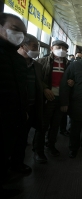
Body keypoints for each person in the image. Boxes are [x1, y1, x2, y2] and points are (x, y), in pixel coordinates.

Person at [0, 12, 28, 198]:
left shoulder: (18, 59)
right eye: (15, 29)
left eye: (22, 33)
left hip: (13, 117)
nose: (19, 35)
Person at [9, 34, 44, 174]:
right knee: (10, 140)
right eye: (34, 47)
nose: (37, 50)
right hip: (13, 109)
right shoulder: (12, 62)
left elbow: (39, 84)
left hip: (31, 108)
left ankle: (18, 164)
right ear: (23, 46)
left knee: (23, 139)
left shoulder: (37, 66)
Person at [34, 40, 70, 162]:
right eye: (58, 47)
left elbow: (70, 82)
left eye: (64, 48)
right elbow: (37, 79)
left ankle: (51, 145)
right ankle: (38, 150)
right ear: (51, 48)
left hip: (61, 99)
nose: (61, 50)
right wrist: (45, 88)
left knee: (55, 125)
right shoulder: (41, 62)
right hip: (48, 99)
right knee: (43, 125)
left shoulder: (68, 64)